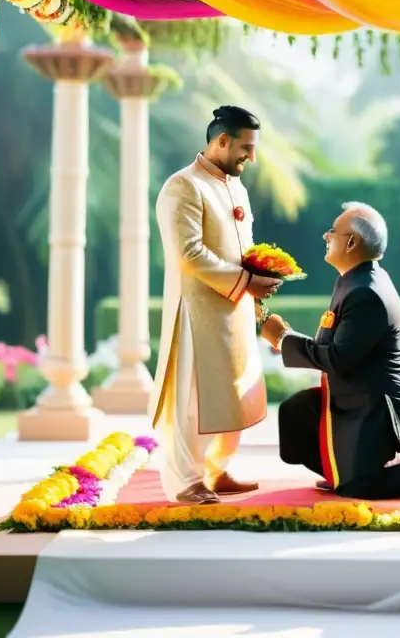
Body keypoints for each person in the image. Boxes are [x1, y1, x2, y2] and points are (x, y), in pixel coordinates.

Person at [260, 202, 400, 500]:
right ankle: (343, 473)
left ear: (352, 241)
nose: (325, 237)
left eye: (332, 231)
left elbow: (337, 359)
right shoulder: (355, 279)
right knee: (296, 415)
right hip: (352, 397)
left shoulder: (365, 292)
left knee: (362, 488)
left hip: (375, 406)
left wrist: (283, 339)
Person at [152, 105, 282, 505]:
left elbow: (241, 249)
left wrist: (261, 277)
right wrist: (247, 281)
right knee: (191, 400)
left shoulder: (235, 187)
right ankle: (186, 482)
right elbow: (189, 254)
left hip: (236, 309)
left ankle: (217, 470)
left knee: (235, 393)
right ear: (221, 140)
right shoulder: (183, 186)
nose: (251, 157)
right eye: (246, 147)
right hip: (195, 313)